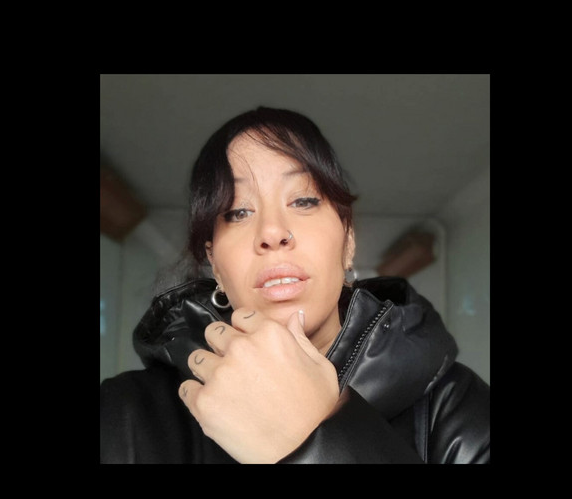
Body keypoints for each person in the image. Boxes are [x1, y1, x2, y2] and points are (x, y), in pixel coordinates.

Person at [100, 106, 490, 464]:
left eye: (303, 201)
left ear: (348, 241)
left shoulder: (457, 410)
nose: (272, 232)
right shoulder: (126, 415)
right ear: (215, 263)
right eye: (238, 211)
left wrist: (312, 438)